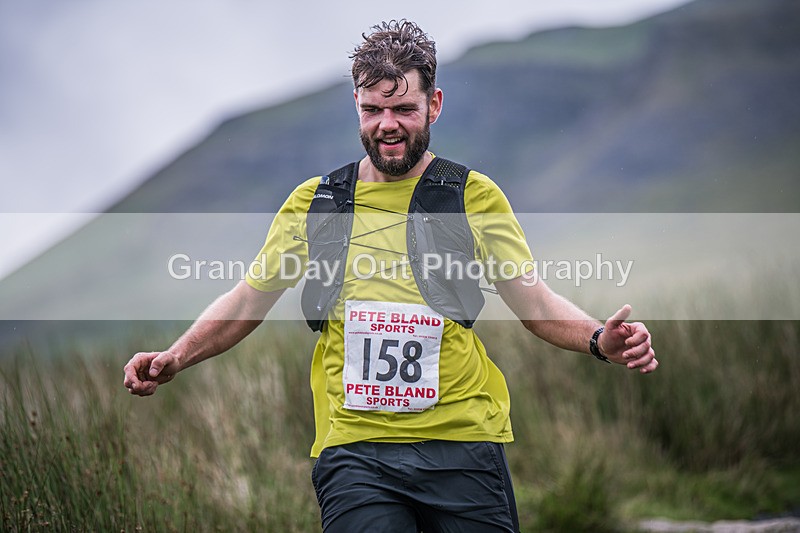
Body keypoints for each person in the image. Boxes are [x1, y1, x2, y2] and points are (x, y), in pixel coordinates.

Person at [124, 20, 658, 533]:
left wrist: (597, 339)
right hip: (354, 452)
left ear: (434, 104)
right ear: (356, 106)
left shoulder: (472, 196)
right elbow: (247, 302)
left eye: (403, 107)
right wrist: (178, 356)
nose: (388, 124)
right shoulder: (316, 203)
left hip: (462, 443)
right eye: (374, 109)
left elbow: (534, 303)